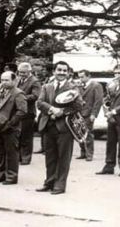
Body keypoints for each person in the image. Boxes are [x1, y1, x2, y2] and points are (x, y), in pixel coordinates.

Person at [36, 61, 83, 195]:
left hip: (65, 128)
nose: (61, 73)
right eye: (59, 70)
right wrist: (51, 109)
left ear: (68, 73)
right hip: (48, 126)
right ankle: (49, 182)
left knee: (63, 158)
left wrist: (62, 112)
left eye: (64, 71)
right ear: (54, 72)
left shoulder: (73, 87)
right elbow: (39, 103)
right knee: (50, 157)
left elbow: (79, 105)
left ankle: (60, 185)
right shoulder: (47, 86)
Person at [96, 64, 120, 177]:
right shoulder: (113, 85)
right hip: (111, 119)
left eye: (119, 73)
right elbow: (108, 99)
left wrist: (113, 112)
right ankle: (109, 166)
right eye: (115, 73)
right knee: (110, 143)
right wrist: (106, 106)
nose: (116, 75)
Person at [0, 71, 27, 184]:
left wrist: (10, 124)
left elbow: (22, 111)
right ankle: (1, 174)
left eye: (7, 80)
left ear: (14, 81)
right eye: (2, 80)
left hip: (11, 128)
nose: (4, 82)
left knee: (11, 153)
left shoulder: (18, 93)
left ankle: (11, 176)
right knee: (1, 152)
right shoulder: (2, 92)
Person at [16, 62, 41, 165]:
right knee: (19, 135)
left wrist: (20, 98)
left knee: (26, 136)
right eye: (20, 72)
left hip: (29, 113)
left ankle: (26, 157)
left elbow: (35, 96)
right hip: (19, 112)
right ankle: (19, 156)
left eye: (24, 73)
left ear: (29, 71)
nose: (21, 74)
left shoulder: (35, 81)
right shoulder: (18, 80)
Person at [77, 69, 104, 161]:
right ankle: (83, 152)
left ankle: (89, 154)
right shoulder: (79, 86)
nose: (80, 79)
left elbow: (98, 101)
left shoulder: (96, 86)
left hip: (89, 113)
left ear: (88, 76)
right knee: (79, 134)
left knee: (88, 134)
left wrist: (94, 114)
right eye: (79, 77)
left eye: (82, 77)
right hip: (79, 113)